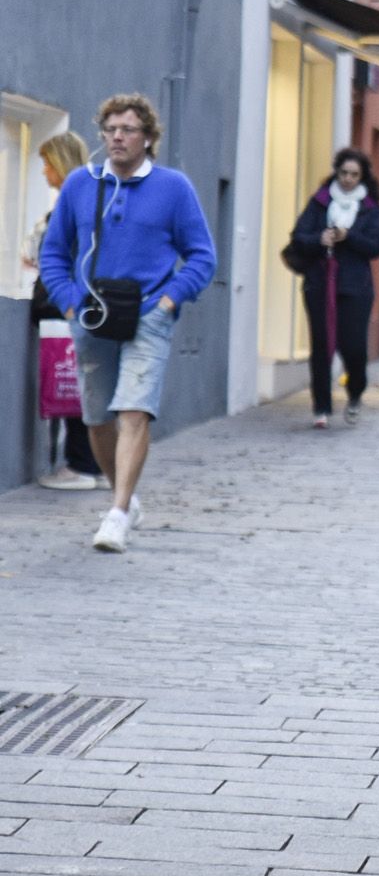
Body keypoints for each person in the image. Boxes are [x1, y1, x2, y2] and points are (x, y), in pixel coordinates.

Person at [38, 93, 217, 553]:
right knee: (98, 418)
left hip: (149, 318)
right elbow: (54, 253)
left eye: (128, 129)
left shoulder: (173, 188)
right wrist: (70, 303)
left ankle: (116, 513)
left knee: (134, 411)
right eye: (110, 129)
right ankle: (126, 496)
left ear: (149, 137)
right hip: (91, 318)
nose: (118, 137)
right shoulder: (81, 184)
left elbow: (202, 256)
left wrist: (170, 302)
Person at [27, 130, 106, 491]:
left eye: (46, 164)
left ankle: (82, 465)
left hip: (69, 309)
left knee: (73, 385)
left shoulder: (72, 207)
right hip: (81, 307)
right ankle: (97, 465)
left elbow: (67, 260)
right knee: (85, 386)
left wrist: (69, 304)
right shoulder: (89, 201)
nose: (44, 172)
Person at [287, 149, 379, 429]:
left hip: (355, 287)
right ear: (336, 172)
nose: (347, 179)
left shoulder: (370, 208)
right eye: (343, 173)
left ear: (362, 176)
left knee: (353, 346)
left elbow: (376, 245)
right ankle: (321, 407)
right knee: (321, 345)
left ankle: (355, 391)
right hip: (320, 284)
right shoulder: (320, 202)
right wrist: (320, 238)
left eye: (354, 174)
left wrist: (348, 236)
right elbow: (298, 237)